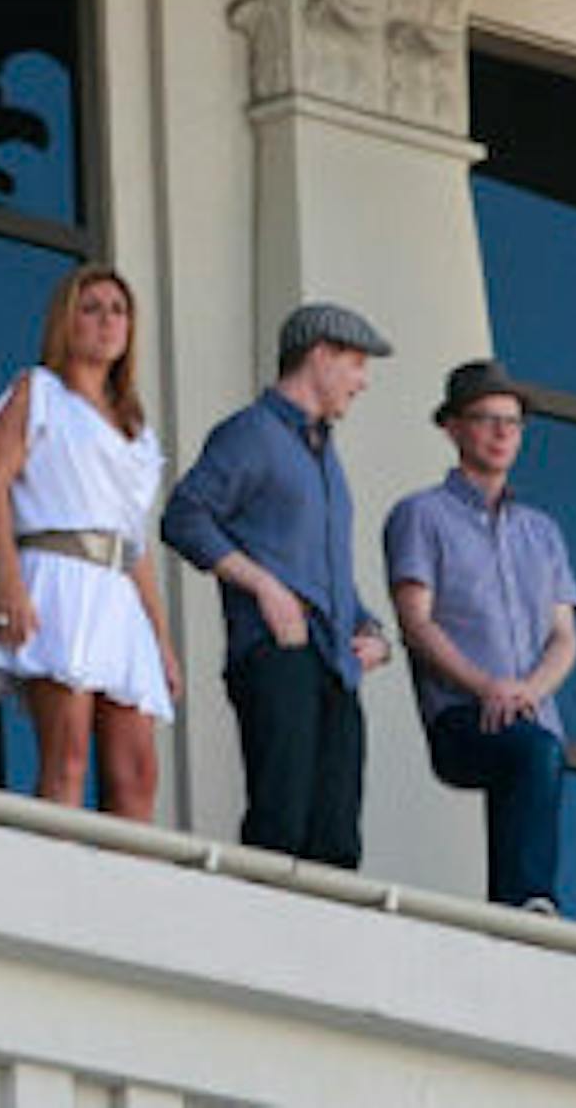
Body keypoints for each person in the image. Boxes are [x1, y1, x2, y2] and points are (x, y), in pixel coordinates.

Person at [161, 303, 395, 868]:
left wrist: (372, 631)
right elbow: (184, 517)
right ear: (320, 355)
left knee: (337, 840)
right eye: (356, 365)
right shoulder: (250, 434)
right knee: (280, 821)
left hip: (336, 666)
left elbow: (326, 570)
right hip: (277, 654)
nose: (363, 382)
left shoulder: (325, 456)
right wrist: (264, 587)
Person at [0, 266, 181, 820]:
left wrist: (159, 638)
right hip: (58, 576)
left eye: (118, 309)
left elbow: (134, 542)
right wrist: (8, 580)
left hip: (119, 593)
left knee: (137, 774)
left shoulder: (137, 427)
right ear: (67, 321)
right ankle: (52, 884)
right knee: (66, 756)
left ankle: (127, 895)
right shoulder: (39, 391)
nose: (108, 320)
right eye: (91, 308)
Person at [382, 358, 576, 913]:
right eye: (487, 419)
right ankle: (528, 902)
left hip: (530, 714)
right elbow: (416, 623)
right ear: (453, 427)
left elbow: (564, 635)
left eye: (513, 423)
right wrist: (488, 686)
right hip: (461, 714)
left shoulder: (542, 532)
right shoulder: (421, 515)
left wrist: (529, 690)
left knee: (535, 755)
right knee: (531, 753)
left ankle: (513, 914)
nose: (501, 433)